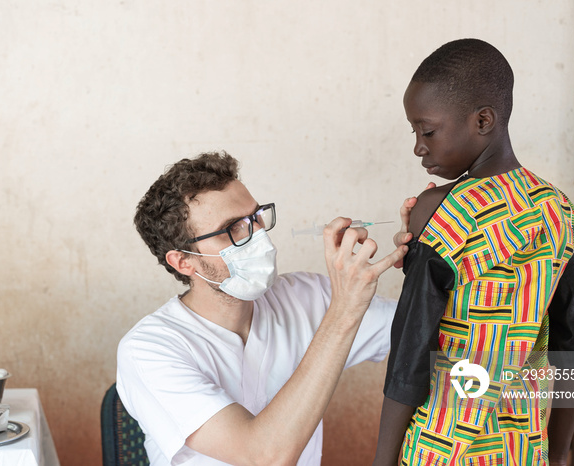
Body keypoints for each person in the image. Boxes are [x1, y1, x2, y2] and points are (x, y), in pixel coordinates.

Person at [373, 39, 574, 466]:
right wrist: (561, 448)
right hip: (522, 444)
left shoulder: (440, 212)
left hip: (442, 444)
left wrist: (382, 460)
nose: (419, 146)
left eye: (428, 130)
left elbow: (409, 353)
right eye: (414, 132)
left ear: (484, 120)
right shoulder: (558, 209)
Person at [117, 151, 413, 465]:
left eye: (255, 217)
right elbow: (265, 456)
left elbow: (426, 330)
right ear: (184, 261)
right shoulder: (148, 350)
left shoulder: (305, 297)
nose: (258, 236)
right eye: (233, 229)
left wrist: (424, 253)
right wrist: (344, 311)